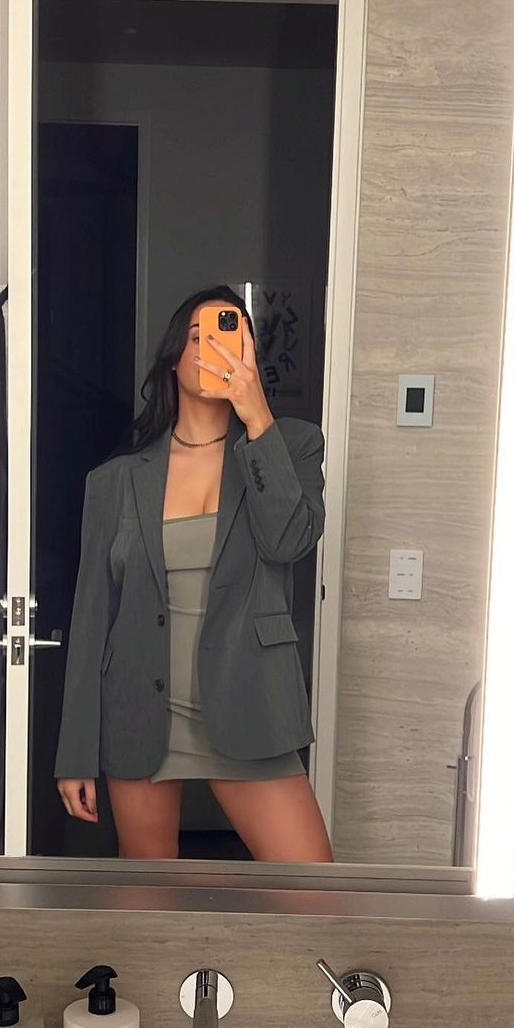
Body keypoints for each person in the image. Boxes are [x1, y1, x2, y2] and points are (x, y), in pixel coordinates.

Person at [54, 285, 334, 862]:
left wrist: (256, 416)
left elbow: (289, 541)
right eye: (198, 337)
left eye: (231, 336)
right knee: (150, 900)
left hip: (250, 701)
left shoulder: (292, 445)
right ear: (172, 358)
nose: (215, 349)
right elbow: (91, 619)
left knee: (314, 892)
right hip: (140, 712)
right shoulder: (115, 480)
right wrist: (74, 753)